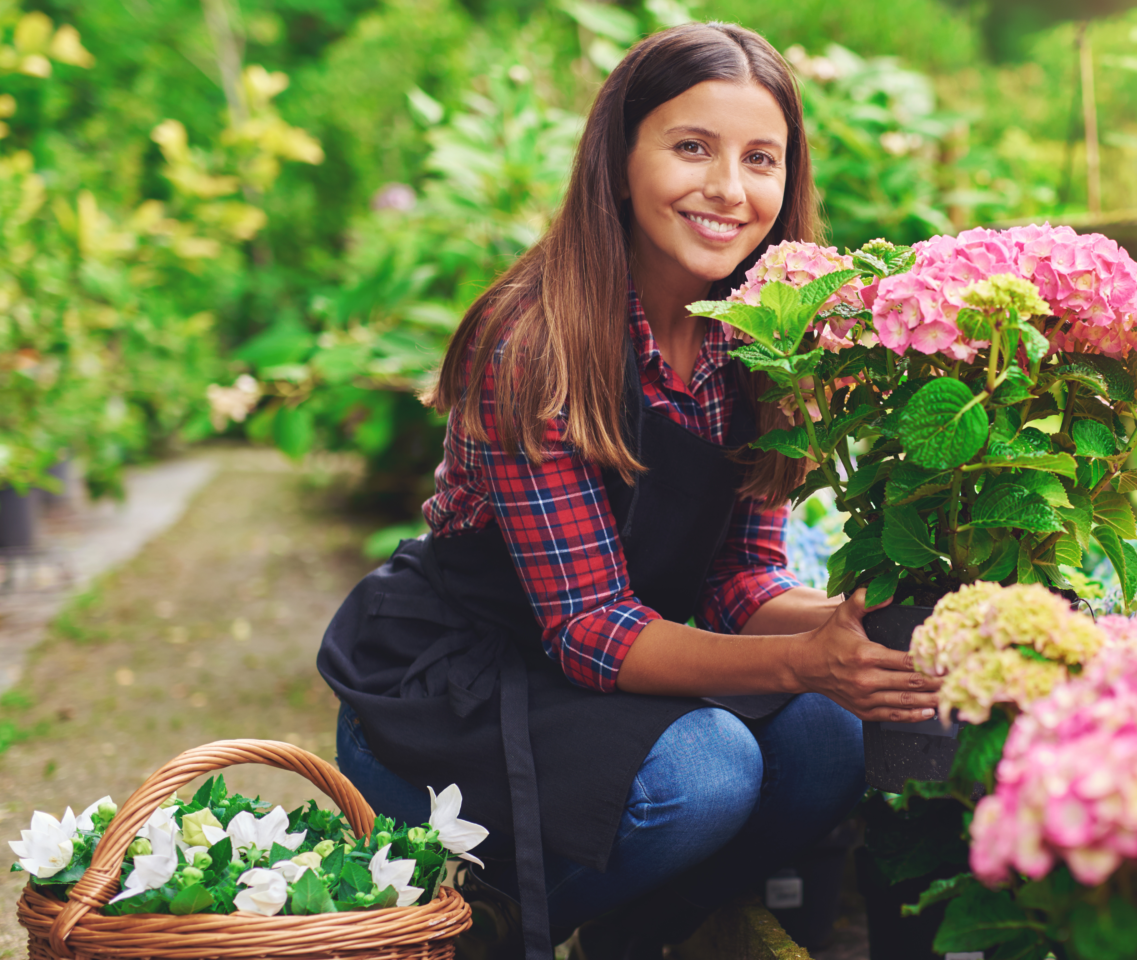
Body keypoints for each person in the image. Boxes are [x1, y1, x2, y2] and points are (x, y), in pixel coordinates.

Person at [315, 22, 942, 960]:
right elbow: (587, 626)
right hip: (459, 694)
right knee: (707, 774)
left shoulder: (760, 338)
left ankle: (623, 936)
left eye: (760, 158)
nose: (729, 189)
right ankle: (483, 937)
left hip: (618, 679)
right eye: (692, 148)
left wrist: (857, 630)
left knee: (835, 736)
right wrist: (801, 661)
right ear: (617, 161)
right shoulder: (535, 343)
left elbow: (740, 579)